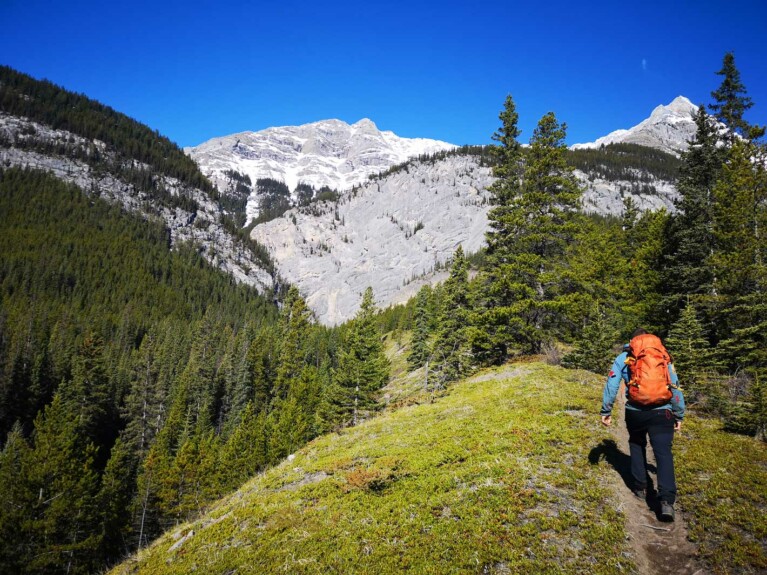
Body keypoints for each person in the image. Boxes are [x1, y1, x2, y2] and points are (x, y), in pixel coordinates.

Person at [600, 328, 685, 522]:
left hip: (635, 411)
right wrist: (679, 413)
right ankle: (666, 501)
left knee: (637, 443)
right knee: (663, 453)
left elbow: (612, 383)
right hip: (663, 411)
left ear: (633, 340)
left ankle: (640, 487)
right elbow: (675, 384)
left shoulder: (625, 356)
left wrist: (606, 410)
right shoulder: (662, 355)